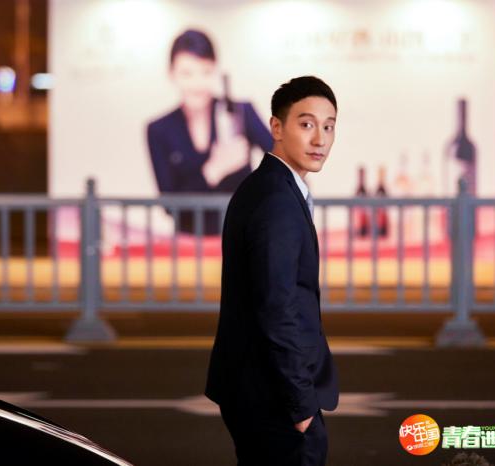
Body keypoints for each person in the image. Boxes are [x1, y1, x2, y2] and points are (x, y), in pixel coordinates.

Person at [205, 76, 340, 466]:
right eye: (306, 124)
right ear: (276, 127)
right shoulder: (276, 201)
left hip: (259, 389)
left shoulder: (268, 186)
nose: (320, 139)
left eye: (329, 126)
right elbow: (276, 309)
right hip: (272, 396)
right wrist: (300, 408)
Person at [146, 29, 273, 235]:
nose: (197, 83)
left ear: (215, 70)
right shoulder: (159, 129)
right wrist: (214, 169)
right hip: (191, 244)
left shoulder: (241, 112)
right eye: (187, 73)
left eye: (205, 72)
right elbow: (169, 205)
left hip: (245, 239)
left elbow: (288, 168)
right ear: (172, 74)